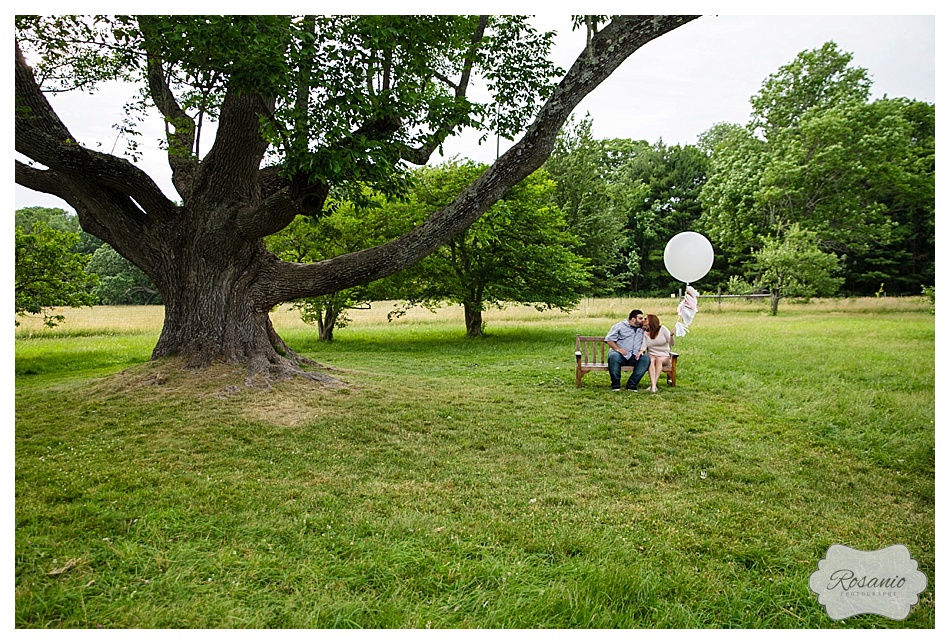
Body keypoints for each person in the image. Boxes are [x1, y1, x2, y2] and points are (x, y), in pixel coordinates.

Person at [604, 309, 649, 391]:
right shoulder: (620, 326)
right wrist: (618, 349)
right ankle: (615, 385)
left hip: (635, 356)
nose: (642, 320)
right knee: (613, 356)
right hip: (621, 355)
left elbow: (656, 331)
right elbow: (609, 340)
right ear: (633, 319)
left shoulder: (643, 329)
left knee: (646, 359)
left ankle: (632, 385)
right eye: (640, 318)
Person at [642, 313, 674, 393]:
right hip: (652, 354)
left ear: (651, 321)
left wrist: (671, 336)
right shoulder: (645, 333)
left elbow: (671, 343)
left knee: (659, 360)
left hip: (664, 356)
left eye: (646, 319)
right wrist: (640, 352)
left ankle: (653, 385)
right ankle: (653, 386)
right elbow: (644, 346)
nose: (643, 320)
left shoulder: (662, 329)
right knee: (651, 360)